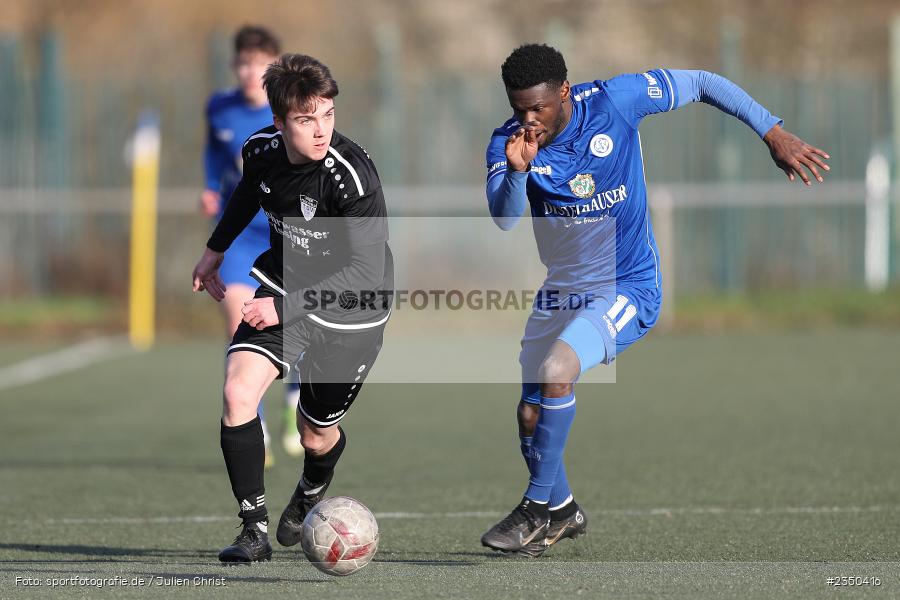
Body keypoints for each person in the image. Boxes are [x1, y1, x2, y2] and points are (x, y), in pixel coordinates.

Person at [481, 44, 829, 557]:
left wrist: (771, 131)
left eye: (539, 108)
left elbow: (705, 82)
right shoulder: (508, 143)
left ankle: (534, 508)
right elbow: (504, 217)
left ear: (564, 93)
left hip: (628, 285)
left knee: (558, 369)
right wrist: (515, 171)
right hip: (565, 288)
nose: (529, 120)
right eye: (518, 109)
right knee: (529, 417)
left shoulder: (617, 101)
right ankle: (561, 510)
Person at [192, 53, 393, 563]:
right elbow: (247, 193)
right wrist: (216, 249)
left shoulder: (353, 176)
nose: (321, 129)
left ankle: (309, 491)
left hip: (352, 310)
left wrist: (287, 309)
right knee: (239, 393)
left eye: (327, 114)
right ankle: (252, 531)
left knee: (315, 433)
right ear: (279, 122)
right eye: (306, 119)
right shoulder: (260, 151)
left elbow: (365, 276)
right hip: (284, 284)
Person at [201, 25, 303, 464]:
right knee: (240, 322)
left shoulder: (290, 113)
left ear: (274, 67)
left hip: (287, 234)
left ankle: (293, 402)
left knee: (297, 326)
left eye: (259, 63)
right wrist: (209, 186)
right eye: (243, 62)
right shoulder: (219, 108)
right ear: (233, 65)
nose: (249, 71)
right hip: (241, 236)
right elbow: (212, 152)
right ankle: (252, 423)